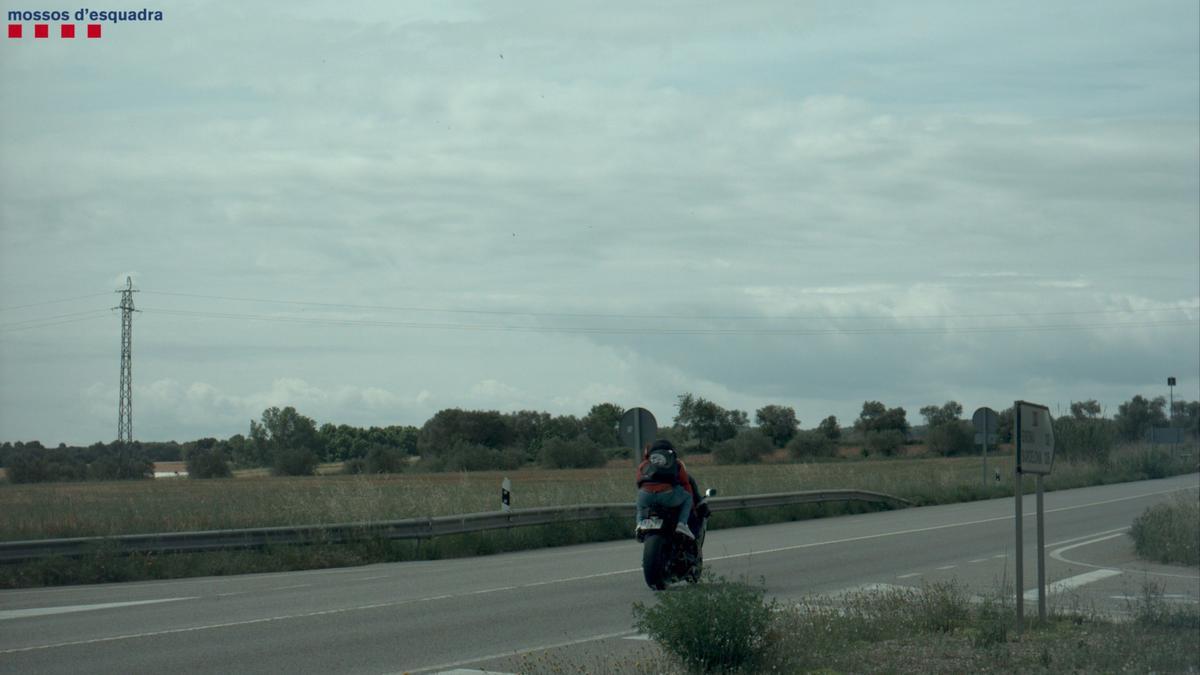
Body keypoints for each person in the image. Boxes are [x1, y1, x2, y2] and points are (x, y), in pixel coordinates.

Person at [635, 439, 697, 539]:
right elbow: (686, 483)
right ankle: (682, 524)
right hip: (667, 495)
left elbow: (639, 482)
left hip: (645, 495)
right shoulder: (676, 463)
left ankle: (640, 524)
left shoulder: (644, 464)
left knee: (640, 506)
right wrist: (693, 507)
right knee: (687, 498)